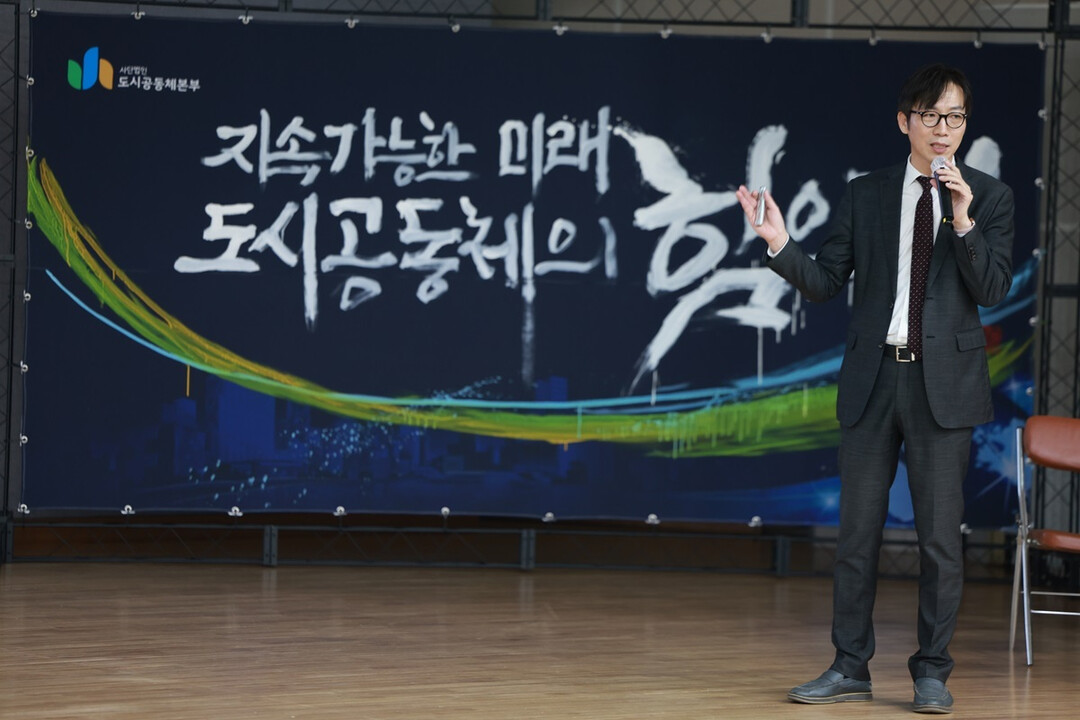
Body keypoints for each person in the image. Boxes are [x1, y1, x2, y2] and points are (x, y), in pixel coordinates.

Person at [736, 63, 1014, 714]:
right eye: (931, 116)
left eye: (955, 117)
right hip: (874, 378)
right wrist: (779, 243)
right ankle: (849, 665)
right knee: (856, 536)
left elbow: (992, 289)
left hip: (943, 386)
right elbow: (826, 281)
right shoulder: (867, 194)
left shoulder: (990, 197)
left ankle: (932, 672)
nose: (943, 129)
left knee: (939, 541)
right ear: (904, 121)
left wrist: (963, 219)